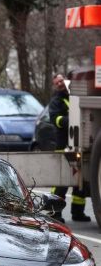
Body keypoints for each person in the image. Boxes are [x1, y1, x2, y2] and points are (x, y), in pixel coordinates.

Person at [48, 73, 90, 222]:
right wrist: (71, 119)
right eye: (57, 82)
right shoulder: (56, 101)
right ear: (55, 85)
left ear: (66, 80)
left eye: (61, 81)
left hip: (79, 145)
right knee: (62, 182)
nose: (60, 84)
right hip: (63, 145)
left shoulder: (74, 96)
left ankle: (78, 213)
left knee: (80, 182)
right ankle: (54, 213)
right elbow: (55, 119)